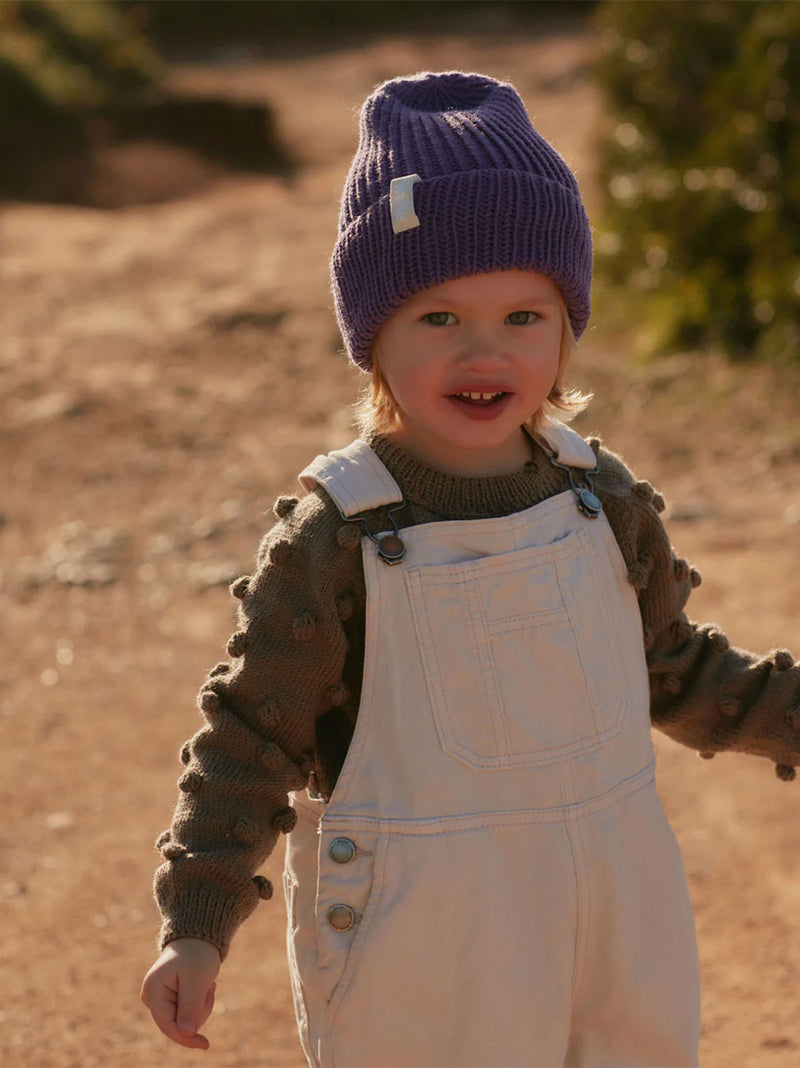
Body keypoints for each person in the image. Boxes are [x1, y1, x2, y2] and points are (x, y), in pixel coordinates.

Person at [140, 70, 800, 1068]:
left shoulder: (601, 498)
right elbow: (250, 738)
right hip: (424, 944)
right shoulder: (336, 535)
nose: (481, 350)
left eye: (522, 318)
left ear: (566, 326)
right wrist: (196, 917)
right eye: (437, 319)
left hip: (613, 930)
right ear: (373, 339)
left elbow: (673, 671)